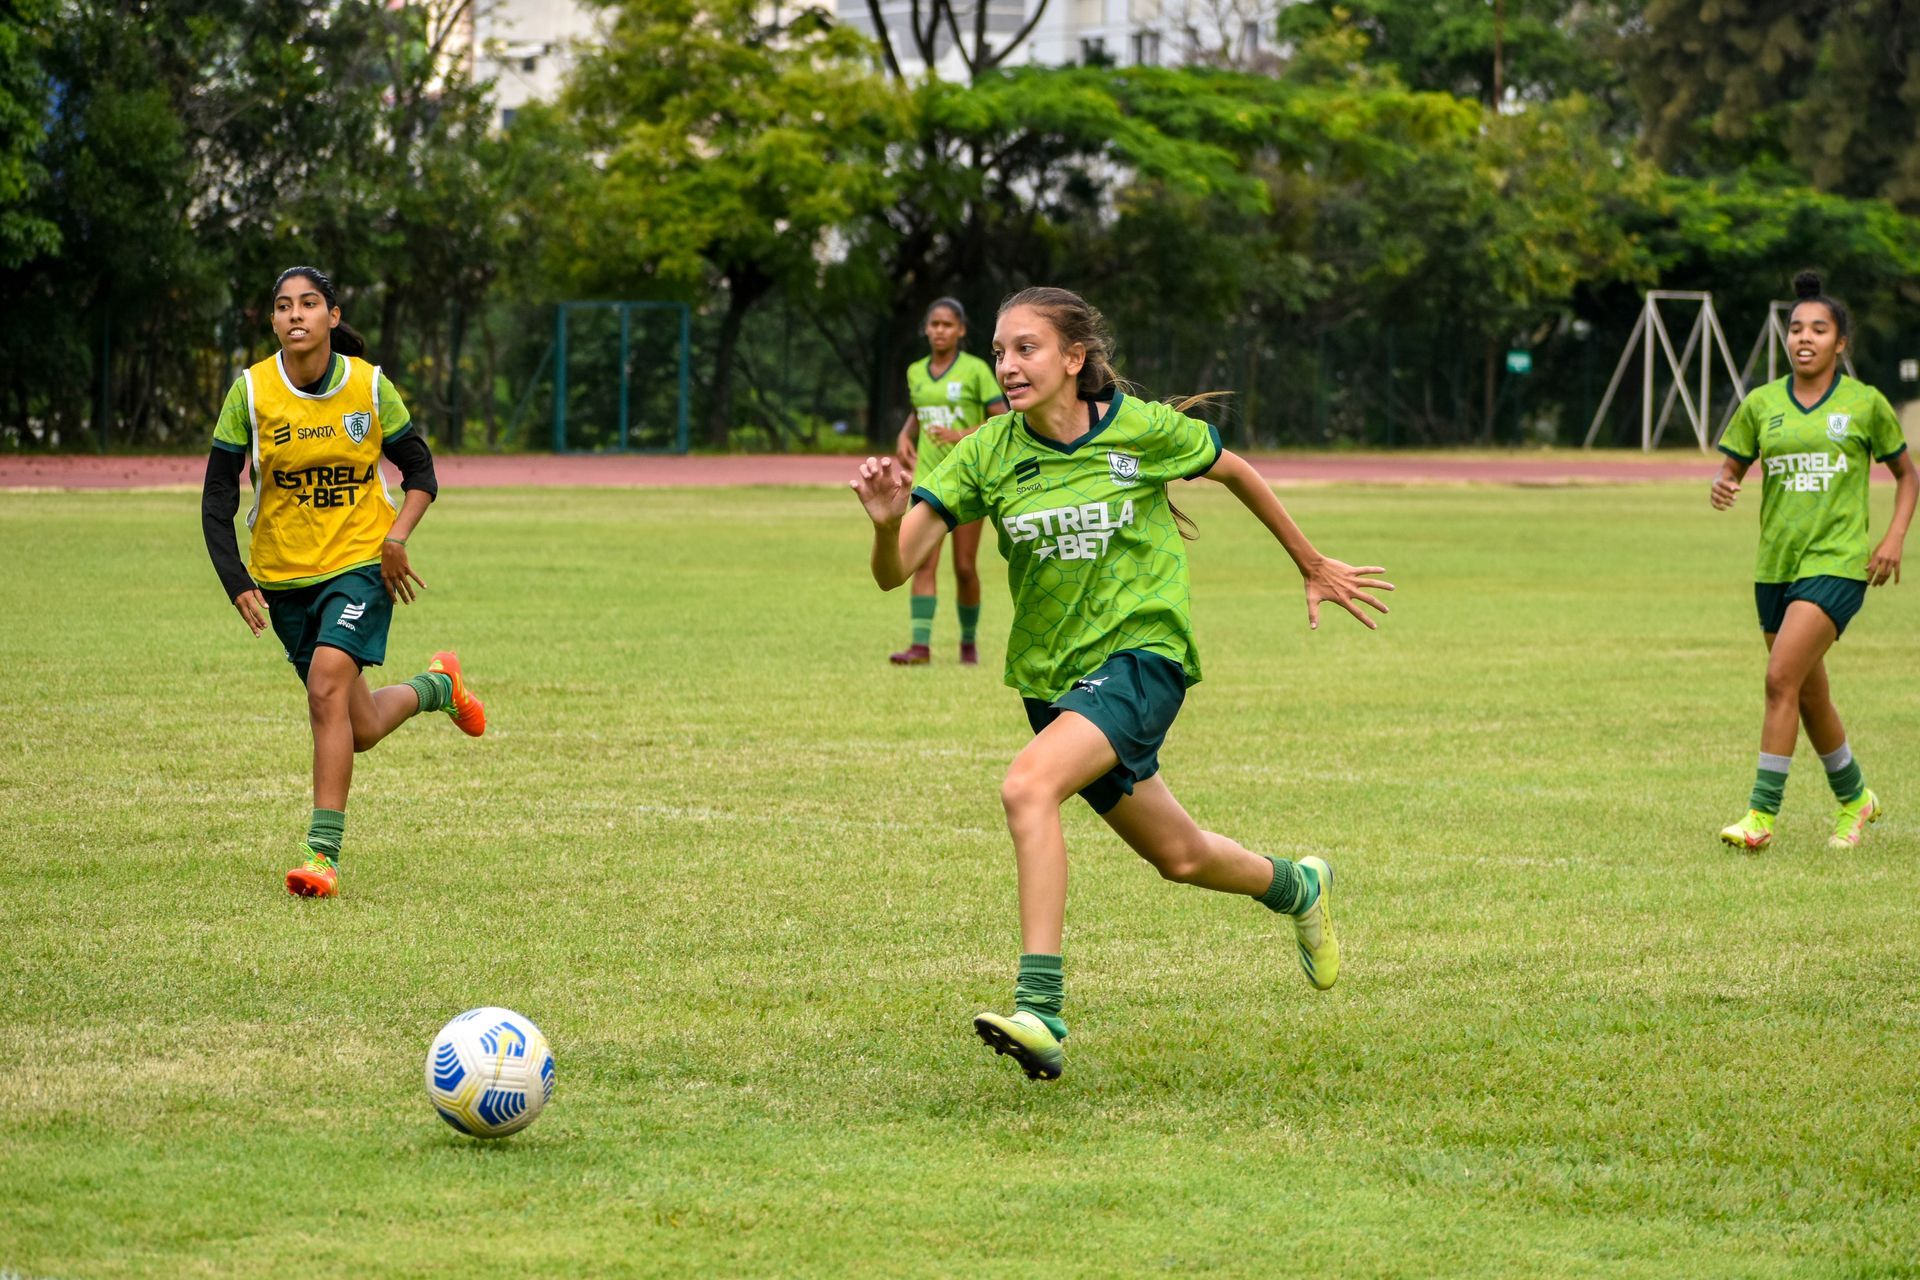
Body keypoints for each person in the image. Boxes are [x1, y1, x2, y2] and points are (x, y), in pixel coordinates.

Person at [849, 286, 1392, 1081]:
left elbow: (1233, 469)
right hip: (1055, 684)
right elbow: (896, 573)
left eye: (1026, 348)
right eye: (1000, 351)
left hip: (1144, 659)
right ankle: (1298, 886)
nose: (1007, 365)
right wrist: (884, 521)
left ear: (1075, 357)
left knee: (1027, 786)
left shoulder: (1138, 430)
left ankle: (1041, 1009)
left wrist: (1311, 563)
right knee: (1179, 856)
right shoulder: (986, 452)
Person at [200, 266, 486, 898]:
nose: (295, 315)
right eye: (282, 306)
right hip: (284, 577)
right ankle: (439, 685)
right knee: (355, 728)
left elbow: (422, 474)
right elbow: (217, 496)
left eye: (309, 303)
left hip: (360, 564)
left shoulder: (370, 387)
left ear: (333, 315)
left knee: (327, 685)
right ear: (273, 321)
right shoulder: (249, 394)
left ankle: (321, 856)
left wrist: (396, 538)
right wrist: (234, 576)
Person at [1712, 269, 1915, 851]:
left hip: (1838, 563)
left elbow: (1907, 476)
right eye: (1796, 328)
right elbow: (1731, 469)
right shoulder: (1761, 404)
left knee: (1779, 678)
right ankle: (1856, 797)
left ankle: (1760, 817)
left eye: (1819, 329)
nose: (1804, 337)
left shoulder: (1863, 404)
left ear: (1839, 343)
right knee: (1806, 692)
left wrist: (1894, 538)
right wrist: (1723, 486)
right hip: (1775, 566)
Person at [889, 298, 1008, 665]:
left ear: (961, 330)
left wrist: (962, 435)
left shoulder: (975, 370)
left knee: (964, 567)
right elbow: (918, 412)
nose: (940, 330)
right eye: (934, 324)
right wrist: (904, 436)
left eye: (947, 324)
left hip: (969, 479)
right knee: (922, 562)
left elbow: (1001, 418)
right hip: (928, 481)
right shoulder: (916, 372)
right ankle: (920, 646)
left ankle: (968, 644)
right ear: (926, 329)